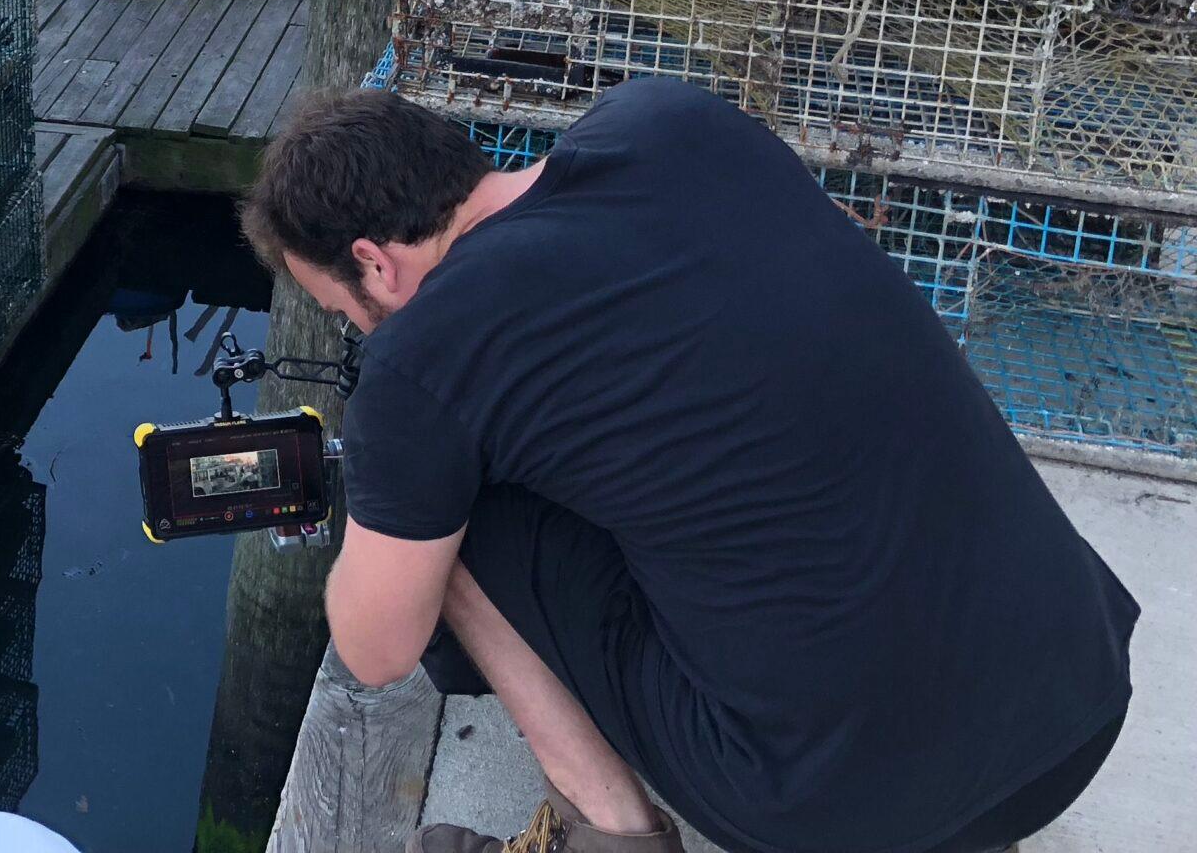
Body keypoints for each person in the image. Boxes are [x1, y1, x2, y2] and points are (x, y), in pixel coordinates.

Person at [243, 78, 1136, 853]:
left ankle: (611, 835)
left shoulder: (421, 363)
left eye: (346, 311)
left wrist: (378, 484)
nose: (361, 332)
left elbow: (376, 650)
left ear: (374, 264)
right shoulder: (671, 120)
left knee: (445, 518)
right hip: (1076, 706)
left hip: (842, 813)